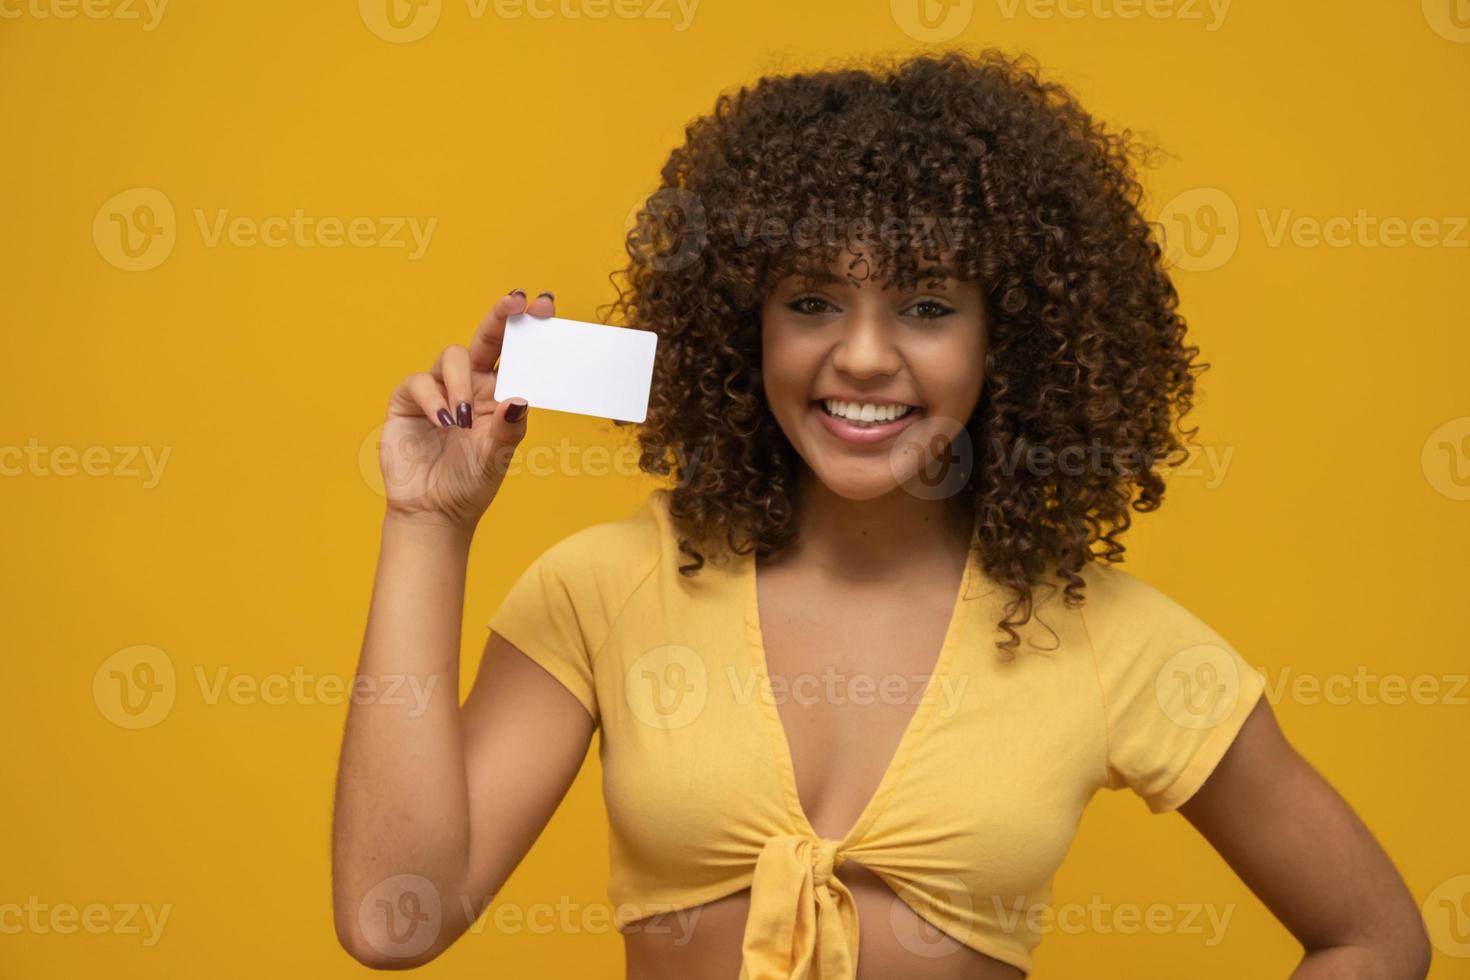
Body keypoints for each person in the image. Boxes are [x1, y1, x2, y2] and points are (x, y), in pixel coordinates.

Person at [331, 48, 1430, 979]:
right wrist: (430, 521)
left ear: (1009, 341)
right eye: (811, 301)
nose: (860, 353)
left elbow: (1375, 937)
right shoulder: (606, 587)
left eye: (927, 305)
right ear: (742, 324)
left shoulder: (1113, 639)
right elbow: (394, 917)